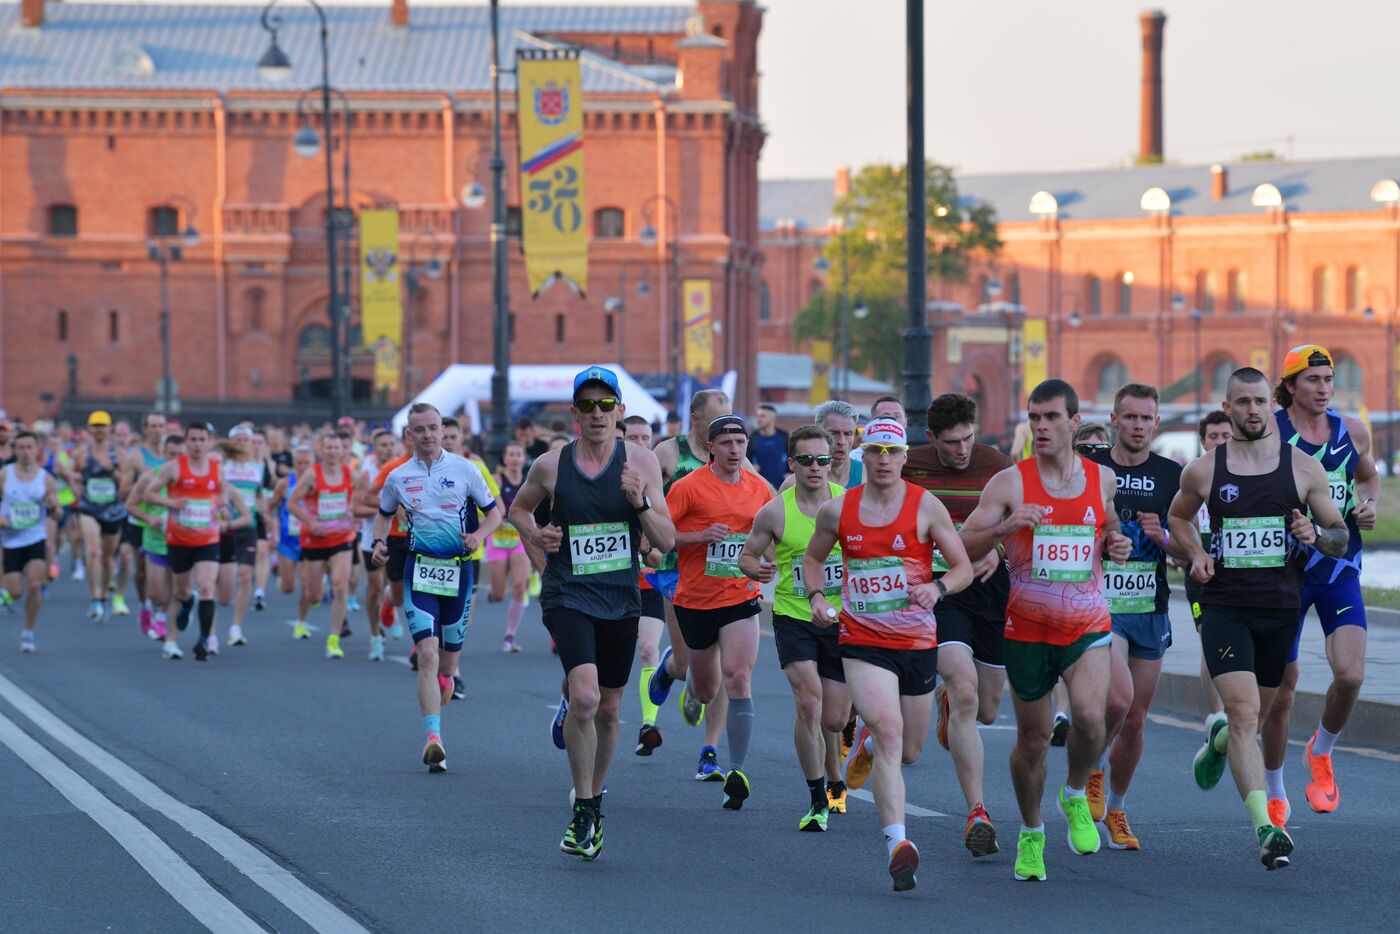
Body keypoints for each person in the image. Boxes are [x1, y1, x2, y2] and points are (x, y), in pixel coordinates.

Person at [1169, 366, 1347, 870]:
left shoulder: (1303, 470)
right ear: (1228, 409)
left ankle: (1221, 740)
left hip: (1280, 610)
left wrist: (1315, 534)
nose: (1251, 411)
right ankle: (1266, 828)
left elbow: (1339, 536)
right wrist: (1193, 553)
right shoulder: (1204, 470)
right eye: (1240, 403)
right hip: (1226, 605)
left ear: (1271, 405)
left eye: (1258, 402)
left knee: (1257, 717)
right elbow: (1178, 517)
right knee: (1245, 713)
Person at [959, 379, 1132, 882]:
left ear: (1074, 423)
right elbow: (965, 544)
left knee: (1090, 719)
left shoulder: (1102, 479)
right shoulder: (1010, 484)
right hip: (1028, 630)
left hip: (1088, 625)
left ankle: (1075, 791)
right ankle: (1031, 832)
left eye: (1051, 417)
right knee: (1033, 742)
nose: (1041, 426)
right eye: (1034, 418)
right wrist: (1005, 529)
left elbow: (1110, 522)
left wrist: (1115, 542)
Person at [507, 367, 672, 858]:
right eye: (588, 405)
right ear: (574, 413)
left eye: (607, 405)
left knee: (610, 707)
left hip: (621, 596)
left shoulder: (641, 461)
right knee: (584, 697)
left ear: (620, 411)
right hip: (568, 592)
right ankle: (582, 806)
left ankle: (595, 800)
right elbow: (518, 510)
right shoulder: (551, 465)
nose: (598, 414)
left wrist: (639, 503)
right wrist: (538, 536)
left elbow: (664, 541)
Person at [805, 418, 972, 891]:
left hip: (916, 642)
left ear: (904, 457)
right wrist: (818, 598)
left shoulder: (925, 506)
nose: (882, 459)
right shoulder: (840, 510)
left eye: (891, 451)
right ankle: (897, 843)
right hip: (862, 640)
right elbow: (814, 558)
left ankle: (870, 747)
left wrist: (937, 589)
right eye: (874, 450)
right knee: (891, 728)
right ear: (863, 453)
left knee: (911, 750)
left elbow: (961, 568)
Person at [1261, 345, 1378, 827]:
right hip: (1285, 571)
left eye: (1328, 378)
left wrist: (1366, 504)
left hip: (1338, 566)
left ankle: (1321, 751)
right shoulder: (1269, 429)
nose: (1323, 387)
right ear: (1290, 386)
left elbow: (1367, 477)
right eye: (1312, 380)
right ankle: (1274, 790)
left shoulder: (1353, 430)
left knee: (1350, 676)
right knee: (1284, 691)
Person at [902, 393, 1013, 857]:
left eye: (968, 438)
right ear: (932, 438)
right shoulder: (911, 466)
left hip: (990, 588)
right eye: (951, 443)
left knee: (987, 709)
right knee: (965, 691)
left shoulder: (996, 464)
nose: (962, 450)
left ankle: (950, 706)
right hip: (940, 591)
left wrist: (998, 551)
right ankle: (977, 812)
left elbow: (1018, 524)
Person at [373, 403, 503, 774]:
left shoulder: (466, 470)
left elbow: (495, 512)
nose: (429, 435)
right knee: (427, 655)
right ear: (409, 434)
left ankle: (444, 686)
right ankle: (434, 740)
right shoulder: (398, 477)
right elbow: (382, 516)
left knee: (446, 667)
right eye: (421, 429)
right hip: (420, 573)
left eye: (435, 428)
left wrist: (479, 535)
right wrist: (379, 544)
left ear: (443, 431)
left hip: (458, 573)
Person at [1087, 383, 1185, 849]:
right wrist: (1102, 543)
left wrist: (1163, 535)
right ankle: (1090, 771)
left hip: (1150, 605)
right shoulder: (1092, 469)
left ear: (1157, 424)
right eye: (1130, 417)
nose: (1139, 426)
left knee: (1137, 718)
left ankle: (1117, 808)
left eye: (1147, 419)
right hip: (1100, 605)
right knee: (1116, 701)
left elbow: (1190, 553)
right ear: (1114, 419)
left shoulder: (1173, 476)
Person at [740, 424, 850, 831]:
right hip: (793, 615)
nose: (816, 467)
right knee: (808, 703)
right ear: (792, 464)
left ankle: (836, 771)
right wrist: (760, 568)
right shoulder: (775, 511)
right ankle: (817, 797)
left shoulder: (847, 503)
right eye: (806, 460)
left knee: (836, 719)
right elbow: (747, 557)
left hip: (841, 619)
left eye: (824, 459)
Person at [663, 413, 773, 809]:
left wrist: (770, 561)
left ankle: (737, 770)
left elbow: (777, 533)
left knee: (738, 678)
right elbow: (658, 536)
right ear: (710, 447)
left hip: (740, 596)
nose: (734, 450)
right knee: (707, 689)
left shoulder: (760, 488)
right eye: (726, 443)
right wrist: (699, 536)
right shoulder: (688, 487)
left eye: (740, 443)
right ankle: (676, 670)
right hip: (695, 599)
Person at [143, 422, 242, 661]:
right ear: (187, 442)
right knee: (183, 592)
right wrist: (171, 504)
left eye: (201, 439)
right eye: (193, 440)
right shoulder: (173, 468)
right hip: (179, 539)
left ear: (209, 442)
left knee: (207, 586)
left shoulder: (217, 468)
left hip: (208, 538)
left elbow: (220, 493)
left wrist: (223, 508)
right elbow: (149, 494)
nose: (197, 444)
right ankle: (187, 606)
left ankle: (203, 640)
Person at [1047, 421, 1113, 746]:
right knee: (1065, 653)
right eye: (1084, 449)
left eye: (1100, 450)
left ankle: (1083, 719)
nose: (1092, 456)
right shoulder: (1060, 487)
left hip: (1117, 594)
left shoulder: (1112, 486)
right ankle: (1062, 713)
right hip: (1070, 593)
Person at [621, 415, 671, 755]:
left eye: (645, 438)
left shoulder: (658, 487)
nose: (640, 444)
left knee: (648, 650)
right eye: (633, 438)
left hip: (649, 584)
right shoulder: (605, 480)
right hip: (608, 585)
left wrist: (647, 548)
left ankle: (648, 725)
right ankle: (570, 703)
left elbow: (658, 555)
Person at [289, 431, 358, 659]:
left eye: (336, 448)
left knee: (340, 586)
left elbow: (361, 498)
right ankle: (316, 591)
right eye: (328, 448)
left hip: (341, 538)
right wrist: (310, 522)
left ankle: (334, 639)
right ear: (321, 450)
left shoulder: (350, 474)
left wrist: (357, 515)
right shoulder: (312, 474)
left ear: (343, 450)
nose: (332, 452)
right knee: (314, 596)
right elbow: (292, 503)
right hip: (314, 539)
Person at [1186, 411, 1233, 725]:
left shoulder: (1245, 475)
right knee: (1210, 641)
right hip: (1201, 574)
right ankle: (1216, 717)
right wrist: (1188, 551)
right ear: (1202, 440)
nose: (1219, 442)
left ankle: (1235, 714)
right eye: (1213, 436)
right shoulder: (1192, 476)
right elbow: (1177, 520)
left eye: (1225, 436)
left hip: (1237, 573)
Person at [125, 433, 186, 651]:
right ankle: (152, 607)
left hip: (182, 541)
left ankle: (162, 619)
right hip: (155, 540)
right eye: (172, 454)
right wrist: (150, 518)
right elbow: (130, 505)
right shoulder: (150, 477)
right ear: (164, 454)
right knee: (157, 592)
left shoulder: (190, 481)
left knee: (177, 588)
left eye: (181, 455)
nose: (176, 459)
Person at [1, 431, 60, 652]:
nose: (25, 453)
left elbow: (57, 510)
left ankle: (28, 632)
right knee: (15, 592)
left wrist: (55, 508)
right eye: (21, 448)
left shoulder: (45, 478)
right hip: (10, 540)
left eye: (29, 448)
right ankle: (9, 593)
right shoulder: (5, 475)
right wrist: (2, 519)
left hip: (35, 536)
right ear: (14, 450)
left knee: (35, 585)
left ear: (37, 450)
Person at [71, 410, 127, 621]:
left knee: (107, 557)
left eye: (103, 426)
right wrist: (75, 484)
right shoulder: (82, 453)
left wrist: (110, 469)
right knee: (93, 551)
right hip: (89, 507)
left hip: (112, 510)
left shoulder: (119, 453)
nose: (99, 430)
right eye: (95, 426)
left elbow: (126, 481)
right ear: (89, 429)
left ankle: (104, 594)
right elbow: (72, 473)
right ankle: (94, 597)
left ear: (110, 429)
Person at [217, 427, 266, 649]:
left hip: (248, 527)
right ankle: (210, 627)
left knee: (246, 576)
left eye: (246, 440)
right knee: (219, 585)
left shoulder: (258, 468)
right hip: (223, 528)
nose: (242, 444)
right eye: (238, 439)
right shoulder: (221, 467)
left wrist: (266, 517)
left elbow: (258, 497)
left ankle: (236, 627)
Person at [353, 428, 398, 661]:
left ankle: (390, 609)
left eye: (392, 444)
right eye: (383, 445)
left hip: (398, 537)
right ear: (374, 448)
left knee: (395, 587)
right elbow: (356, 509)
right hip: (373, 537)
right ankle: (374, 635)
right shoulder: (367, 473)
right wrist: (384, 510)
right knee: (375, 588)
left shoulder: (403, 469)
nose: (388, 449)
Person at [118, 412, 167, 628]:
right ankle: (145, 605)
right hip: (140, 520)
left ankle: (162, 614)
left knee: (166, 568)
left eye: (161, 426)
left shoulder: (172, 456)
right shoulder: (136, 457)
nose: (157, 430)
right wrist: (144, 482)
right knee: (141, 571)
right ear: (145, 429)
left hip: (165, 520)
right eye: (153, 426)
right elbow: (123, 492)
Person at [489, 440, 531, 652]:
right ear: (505, 458)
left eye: (518, 454)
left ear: (524, 459)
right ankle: (494, 593)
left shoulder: (528, 481)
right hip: (497, 539)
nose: (515, 459)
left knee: (519, 586)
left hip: (519, 539)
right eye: (511, 454)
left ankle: (510, 636)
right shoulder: (496, 479)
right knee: (497, 594)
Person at [748, 403, 790, 490]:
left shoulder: (784, 436)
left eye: (762, 416)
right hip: (759, 487)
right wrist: (752, 468)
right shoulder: (752, 438)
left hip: (781, 487)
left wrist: (789, 473)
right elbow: (745, 460)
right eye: (757, 416)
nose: (758, 419)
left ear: (772, 418)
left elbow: (792, 457)